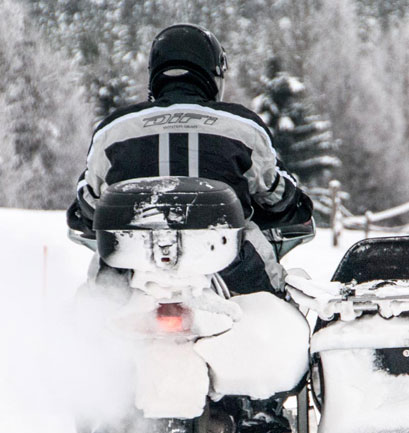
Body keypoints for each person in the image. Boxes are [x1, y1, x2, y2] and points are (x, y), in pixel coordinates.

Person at [67, 23, 313, 296]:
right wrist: (293, 200)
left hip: (126, 273)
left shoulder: (112, 130)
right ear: (214, 74)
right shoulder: (243, 127)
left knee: (91, 320)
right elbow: (276, 194)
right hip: (232, 271)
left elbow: (89, 202)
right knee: (277, 315)